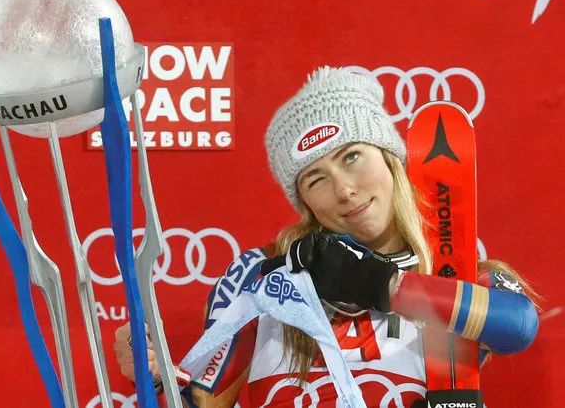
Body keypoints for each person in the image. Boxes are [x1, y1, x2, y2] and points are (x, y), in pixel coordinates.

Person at [114, 66, 540, 407]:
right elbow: (199, 404)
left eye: (352, 157)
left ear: (391, 157)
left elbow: (519, 325)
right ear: (304, 202)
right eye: (316, 179)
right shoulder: (263, 277)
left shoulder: (455, 269)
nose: (344, 189)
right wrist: (153, 376)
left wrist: (377, 283)